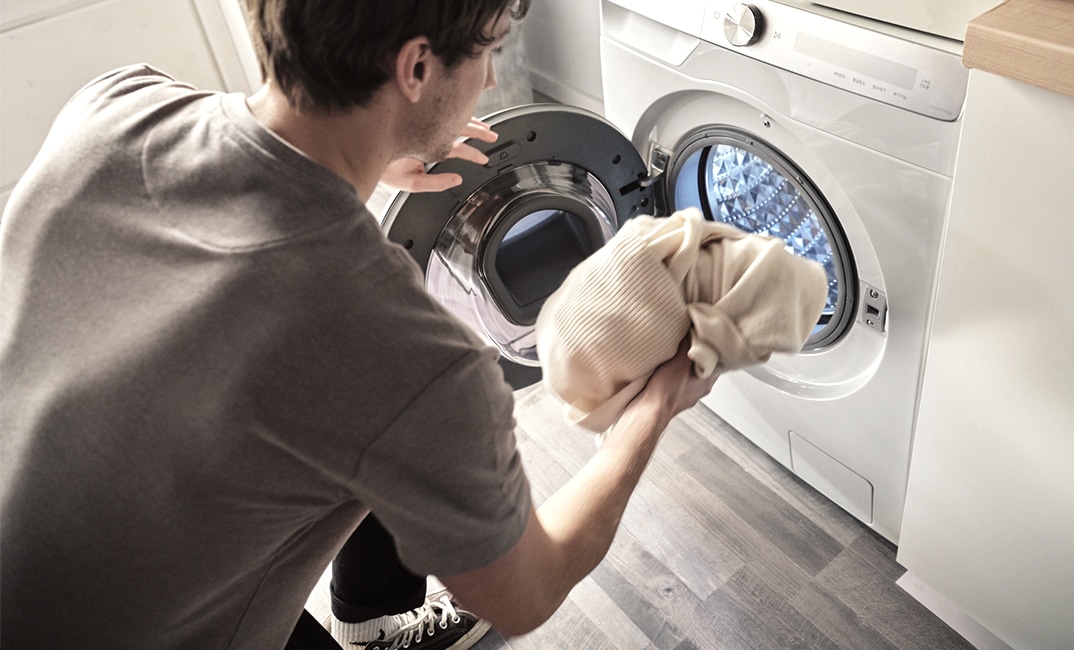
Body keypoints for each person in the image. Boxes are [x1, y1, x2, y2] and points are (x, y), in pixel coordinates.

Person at [0, 1, 717, 649]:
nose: (492, 79)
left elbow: (246, 138)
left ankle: (368, 618)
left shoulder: (112, 106)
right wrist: (653, 407)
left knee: (362, 422)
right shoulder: (410, 350)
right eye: (491, 48)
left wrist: (371, 154)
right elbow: (526, 592)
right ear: (416, 66)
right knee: (383, 414)